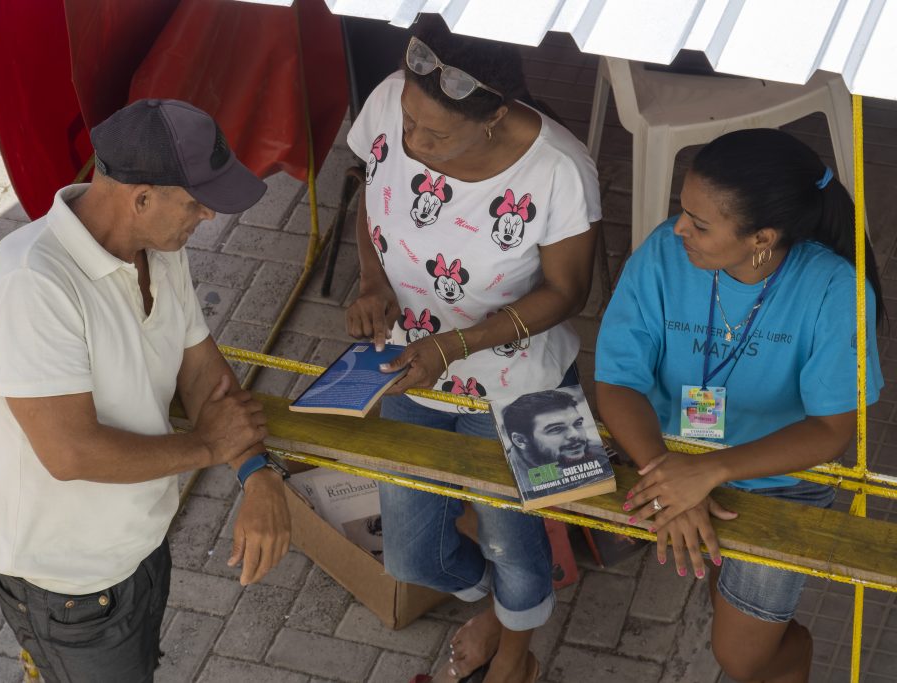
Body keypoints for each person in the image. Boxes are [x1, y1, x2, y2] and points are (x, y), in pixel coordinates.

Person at [0, 99, 291, 683]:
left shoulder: (159, 250)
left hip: (139, 545)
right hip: (71, 586)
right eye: (196, 202)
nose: (209, 217)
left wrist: (257, 472)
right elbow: (70, 453)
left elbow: (203, 376)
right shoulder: (33, 284)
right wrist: (209, 449)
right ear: (141, 198)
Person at [345, 17, 600, 683]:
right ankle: (500, 599)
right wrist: (372, 280)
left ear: (493, 118)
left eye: (433, 135)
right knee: (411, 556)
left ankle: (517, 649)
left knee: (520, 544)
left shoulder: (560, 169)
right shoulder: (390, 102)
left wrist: (456, 343)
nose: (412, 141)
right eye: (408, 121)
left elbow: (568, 291)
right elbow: (371, 192)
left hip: (524, 380)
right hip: (412, 367)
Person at [595, 128, 884, 683]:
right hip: (672, 456)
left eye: (700, 224)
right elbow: (617, 382)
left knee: (741, 657)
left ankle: (784, 649)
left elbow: (830, 432)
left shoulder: (833, 291)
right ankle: (770, 634)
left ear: (762, 238)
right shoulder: (663, 254)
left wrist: (707, 472)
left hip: (782, 481)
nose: (678, 229)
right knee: (733, 609)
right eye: (683, 211)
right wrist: (672, 478)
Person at [500, 389, 609, 473]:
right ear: (520, 440)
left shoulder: (601, 454)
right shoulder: (505, 475)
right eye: (556, 429)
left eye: (578, 424)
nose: (575, 434)